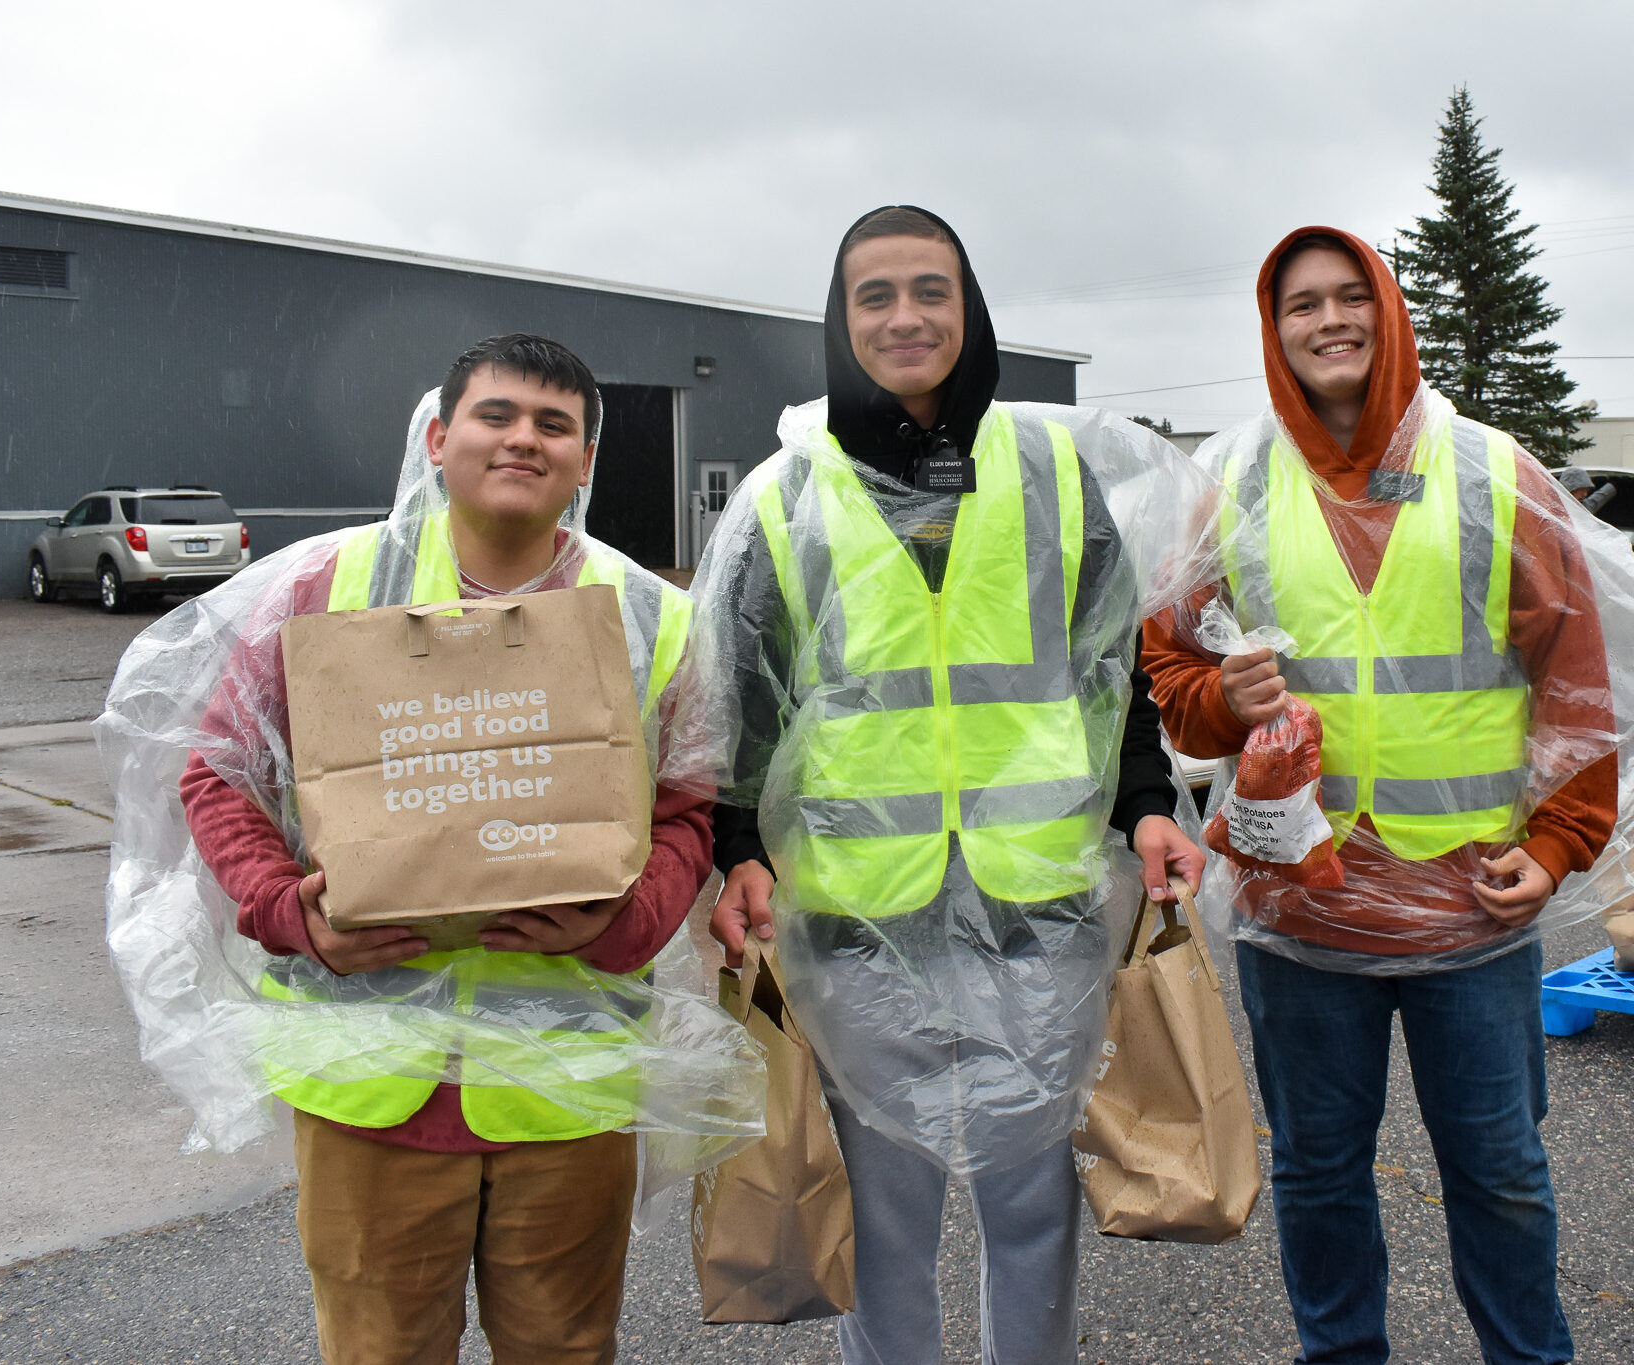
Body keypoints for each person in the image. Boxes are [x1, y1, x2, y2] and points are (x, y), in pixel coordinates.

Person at [680, 205, 1208, 1365]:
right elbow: (736, 706)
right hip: (857, 910)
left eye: (931, 290)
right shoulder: (783, 495)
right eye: (875, 295)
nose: (905, 316)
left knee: (1032, 1210)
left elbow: (1108, 673)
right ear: (840, 319)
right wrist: (736, 853)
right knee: (885, 1220)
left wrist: (1149, 806)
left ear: (968, 313)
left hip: (1037, 897)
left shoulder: (1052, 474)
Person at [169, 335, 719, 1364]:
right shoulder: (329, 589)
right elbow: (217, 771)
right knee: (379, 1351)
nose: (524, 440)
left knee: (562, 1349)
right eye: (497, 416)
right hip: (371, 1079)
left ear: (586, 459)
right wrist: (290, 914)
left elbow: (689, 802)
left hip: (564, 1083)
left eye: (554, 425)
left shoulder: (648, 618)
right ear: (438, 436)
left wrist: (631, 922)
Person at [1142, 227, 1619, 1365]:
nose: (1327, 321)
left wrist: (1556, 849)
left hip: (1472, 904)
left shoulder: (1494, 472)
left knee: (1499, 1176)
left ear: (1388, 311)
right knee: (1316, 1178)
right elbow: (1170, 681)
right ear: (1274, 330)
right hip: (1298, 913)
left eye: (1349, 296)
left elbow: (1578, 687)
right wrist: (1223, 695)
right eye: (1299, 305)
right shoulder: (1231, 482)